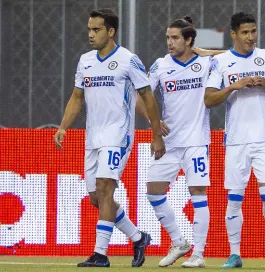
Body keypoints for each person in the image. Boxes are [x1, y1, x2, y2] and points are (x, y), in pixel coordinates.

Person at [53, 8, 165, 267]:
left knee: (105, 188)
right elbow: (77, 96)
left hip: (118, 135)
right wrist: (62, 126)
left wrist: (156, 133)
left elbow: (147, 96)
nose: (90, 34)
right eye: (89, 29)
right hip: (93, 138)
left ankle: (100, 254)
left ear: (111, 31)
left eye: (96, 29)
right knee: (96, 198)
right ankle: (138, 238)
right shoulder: (86, 60)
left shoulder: (129, 60)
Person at [205, 11, 265, 268]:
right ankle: (234, 253)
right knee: (234, 198)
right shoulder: (221, 62)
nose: (251, 37)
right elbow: (209, 99)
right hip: (237, 139)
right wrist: (233, 86)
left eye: (253, 32)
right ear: (233, 34)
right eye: (245, 32)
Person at [145, 16, 213, 268]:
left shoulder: (206, 63)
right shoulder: (161, 66)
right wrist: (155, 126)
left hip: (196, 141)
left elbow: (237, 56)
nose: (170, 43)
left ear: (189, 40)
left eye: (175, 38)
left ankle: (198, 253)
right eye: (167, 38)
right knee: (153, 191)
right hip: (169, 142)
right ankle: (179, 242)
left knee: (198, 194)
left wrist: (208, 51)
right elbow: (142, 96)